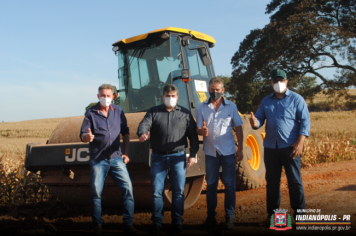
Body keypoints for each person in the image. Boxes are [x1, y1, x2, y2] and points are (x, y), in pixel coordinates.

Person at [249, 69, 310, 226]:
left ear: (286, 81)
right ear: (271, 83)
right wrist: (255, 123)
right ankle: (274, 218)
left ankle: (301, 217)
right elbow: (259, 120)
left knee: (294, 182)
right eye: (275, 81)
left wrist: (300, 143)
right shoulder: (266, 101)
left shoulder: (296, 99)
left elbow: (305, 121)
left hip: (290, 147)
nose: (278, 83)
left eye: (281, 80)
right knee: (272, 183)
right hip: (270, 147)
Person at [137, 84, 199, 234]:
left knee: (178, 191)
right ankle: (157, 222)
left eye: (173, 96)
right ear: (163, 96)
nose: (170, 99)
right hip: (158, 158)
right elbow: (143, 125)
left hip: (178, 157)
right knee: (157, 192)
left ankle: (177, 221)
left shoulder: (185, 113)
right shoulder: (153, 112)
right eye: (167, 96)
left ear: (177, 97)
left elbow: (193, 136)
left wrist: (193, 154)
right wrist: (142, 133)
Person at [80, 84, 138, 235]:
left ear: (113, 96)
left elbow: (125, 133)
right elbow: (82, 135)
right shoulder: (91, 113)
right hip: (98, 159)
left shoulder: (118, 111)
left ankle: (128, 223)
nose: (105, 98)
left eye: (108, 95)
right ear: (98, 96)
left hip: (117, 159)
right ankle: (98, 225)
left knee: (128, 189)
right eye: (102, 95)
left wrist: (126, 153)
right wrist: (86, 137)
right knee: (96, 193)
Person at [195, 77, 244, 230]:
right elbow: (197, 128)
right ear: (208, 90)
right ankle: (211, 218)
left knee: (229, 185)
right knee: (211, 186)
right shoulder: (201, 107)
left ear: (223, 90)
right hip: (210, 153)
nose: (214, 92)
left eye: (217, 90)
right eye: (212, 89)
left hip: (228, 152)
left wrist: (241, 148)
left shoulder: (231, 107)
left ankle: (229, 218)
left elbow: (238, 128)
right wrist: (200, 131)